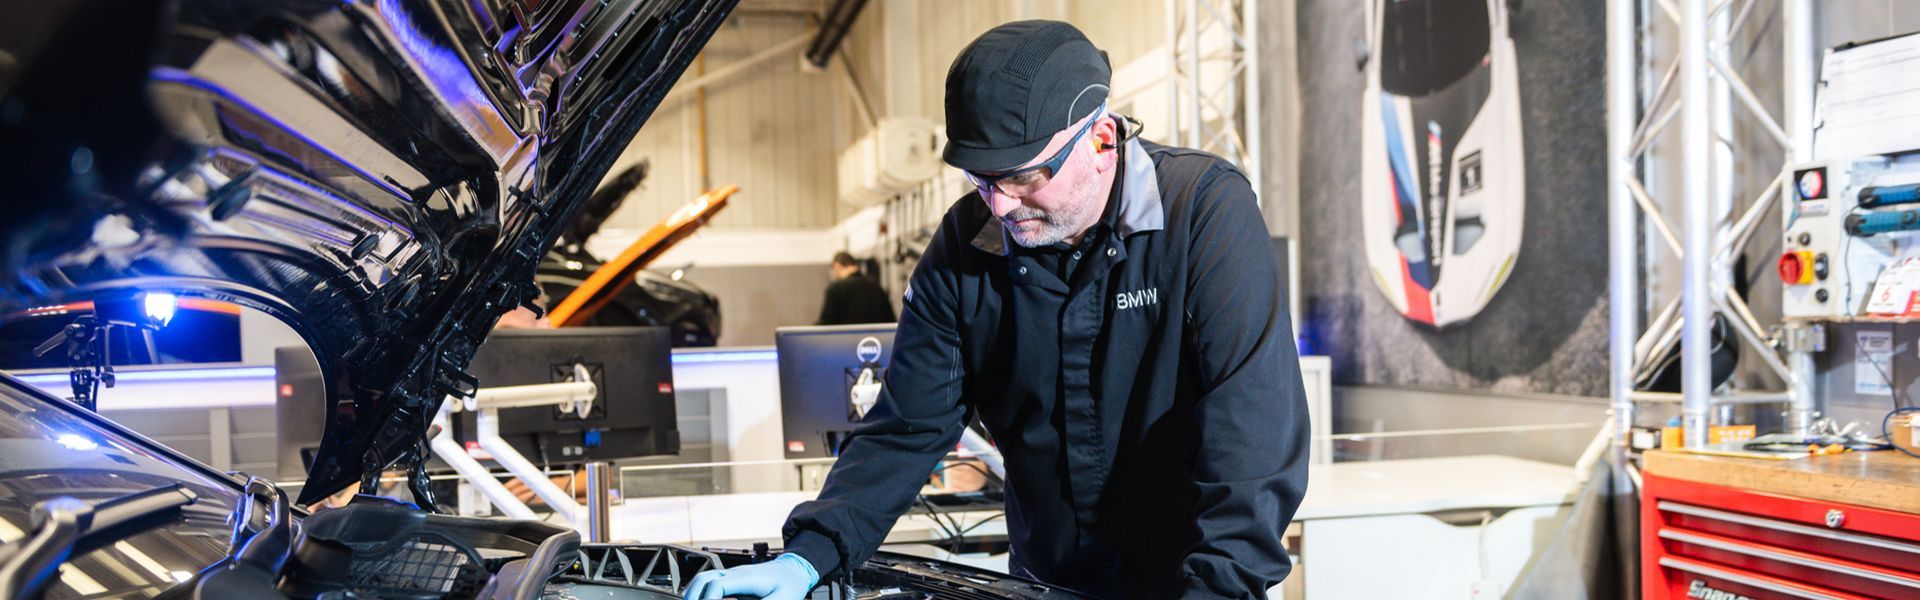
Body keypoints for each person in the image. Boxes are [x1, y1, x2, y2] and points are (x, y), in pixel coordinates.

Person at [684, 20, 1308, 600]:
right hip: (1043, 581)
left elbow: (1251, 426)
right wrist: (810, 556)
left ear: (1100, 135)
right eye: (982, 181)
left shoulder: (1201, 214)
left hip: (1192, 580)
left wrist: (1219, 588)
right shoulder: (966, 242)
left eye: (1024, 177)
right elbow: (909, 425)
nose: (1002, 207)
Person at [815, 251, 896, 325]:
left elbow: (826, 323)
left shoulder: (835, 289)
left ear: (837, 266)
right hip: (874, 340)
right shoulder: (877, 288)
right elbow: (891, 321)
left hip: (846, 340)